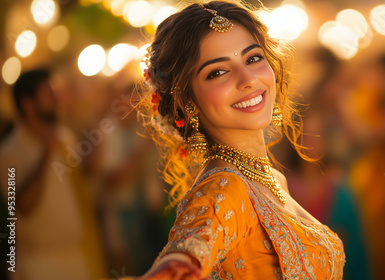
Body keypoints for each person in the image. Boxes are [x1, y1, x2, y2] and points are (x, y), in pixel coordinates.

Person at [136, 1, 345, 279]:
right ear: (186, 102)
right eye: (218, 72)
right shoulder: (223, 190)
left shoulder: (270, 178)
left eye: (253, 58)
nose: (248, 79)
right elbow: (180, 263)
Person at [0, 69, 107, 279]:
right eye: (48, 94)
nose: (56, 99)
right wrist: (45, 155)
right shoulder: (9, 154)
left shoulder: (63, 137)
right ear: (28, 104)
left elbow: (80, 181)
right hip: (39, 264)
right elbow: (20, 205)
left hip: (76, 256)